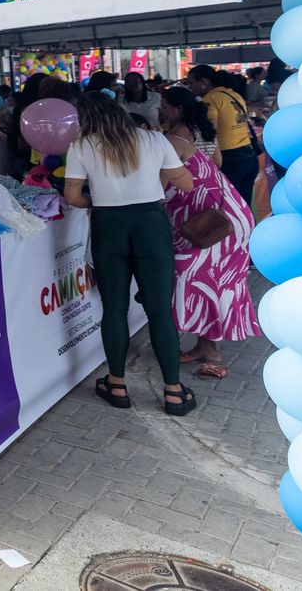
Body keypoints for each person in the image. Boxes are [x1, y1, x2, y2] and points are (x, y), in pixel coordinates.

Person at [62, 93, 197, 416]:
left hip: (109, 226)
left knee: (114, 308)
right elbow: (188, 184)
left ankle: (117, 384)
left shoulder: (82, 146)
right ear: (121, 113)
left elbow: (71, 196)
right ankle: (174, 391)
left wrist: (95, 202)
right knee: (160, 311)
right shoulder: (154, 139)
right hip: (151, 223)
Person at [158, 87, 258, 378]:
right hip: (223, 215)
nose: (161, 110)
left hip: (213, 223)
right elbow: (218, 164)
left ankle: (203, 344)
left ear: (177, 108)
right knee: (213, 280)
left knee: (192, 276)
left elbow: (154, 187)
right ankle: (207, 346)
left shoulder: (171, 139)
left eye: (164, 105)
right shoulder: (200, 129)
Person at [186, 64, 258, 206]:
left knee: (231, 207)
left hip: (230, 158)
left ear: (204, 82)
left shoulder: (210, 99)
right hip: (249, 155)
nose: (190, 88)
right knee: (244, 206)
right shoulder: (233, 94)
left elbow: (211, 132)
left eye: (191, 83)